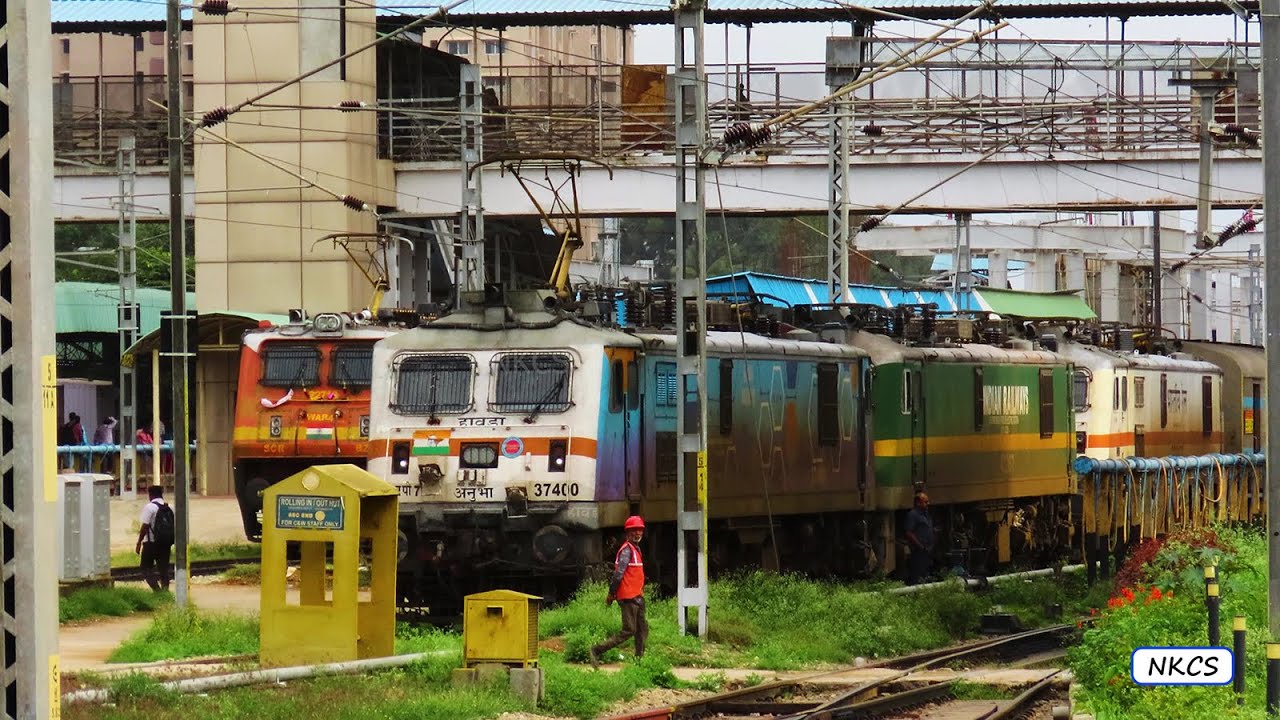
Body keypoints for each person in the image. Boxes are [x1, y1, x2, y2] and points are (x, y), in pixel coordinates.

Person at [589, 516, 648, 665]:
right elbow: (618, 574)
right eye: (634, 530)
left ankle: (639, 661)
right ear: (628, 533)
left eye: (640, 530)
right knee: (629, 630)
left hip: (637, 596)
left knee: (642, 629)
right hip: (628, 597)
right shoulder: (627, 551)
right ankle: (596, 650)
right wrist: (611, 594)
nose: (638, 533)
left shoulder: (635, 549)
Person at [135, 485, 175, 592]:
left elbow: (145, 526)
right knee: (163, 569)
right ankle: (165, 591)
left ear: (150, 495)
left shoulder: (149, 507)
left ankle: (157, 591)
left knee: (145, 568)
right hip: (165, 543)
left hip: (151, 543)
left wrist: (139, 543)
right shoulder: (170, 507)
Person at [904, 492, 935, 585]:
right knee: (917, 574)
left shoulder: (926, 514)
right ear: (918, 503)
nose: (928, 503)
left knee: (925, 574)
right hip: (918, 550)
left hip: (927, 550)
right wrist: (920, 546)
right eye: (925, 502)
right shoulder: (913, 515)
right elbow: (909, 533)